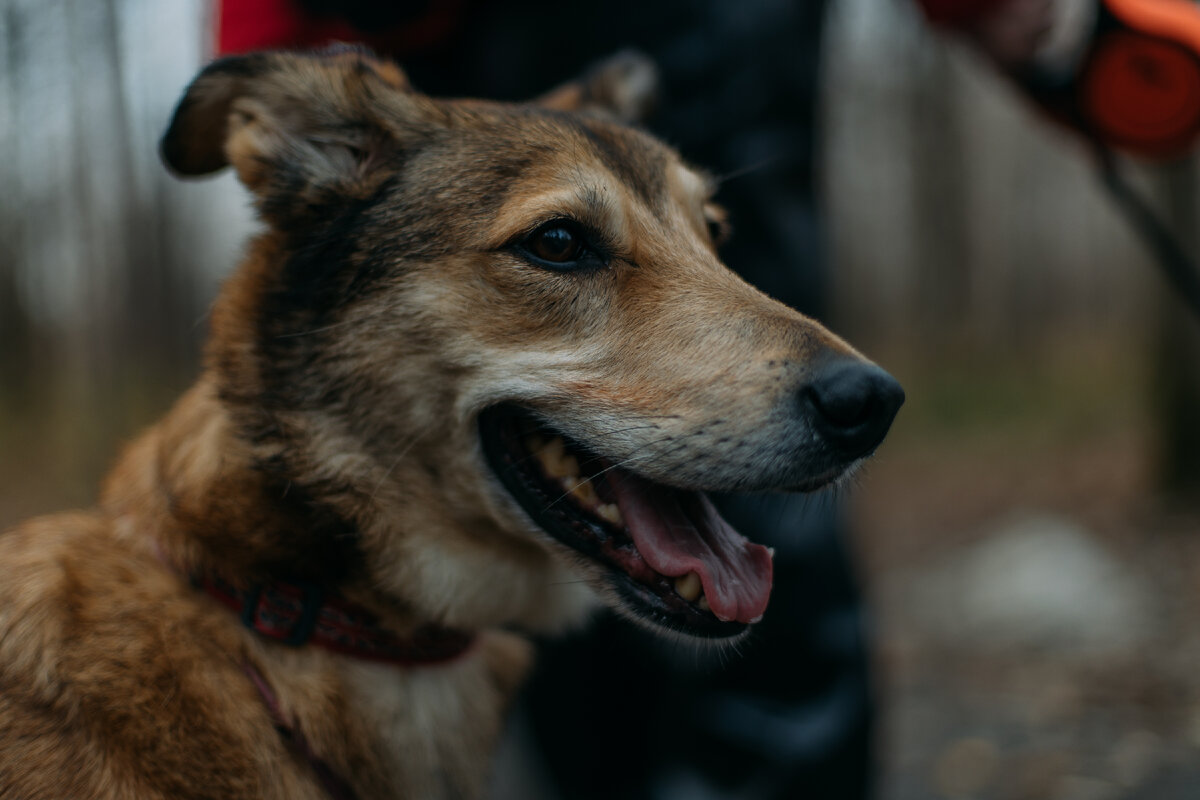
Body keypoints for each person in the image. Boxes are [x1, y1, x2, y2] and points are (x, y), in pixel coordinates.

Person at [210, 1, 1200, 797]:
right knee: (550, 524)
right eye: (560, 244)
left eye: (708, 232)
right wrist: (278, 35)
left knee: (755, 450)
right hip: (436, 33)